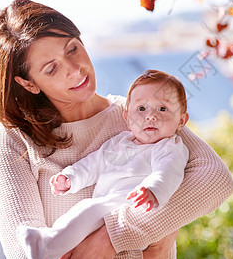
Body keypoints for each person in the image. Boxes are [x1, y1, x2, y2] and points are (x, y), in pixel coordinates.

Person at [0, 0, 233, 259]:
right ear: (29, 84)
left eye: (72, 49)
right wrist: (155, 240)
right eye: (52, 68)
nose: (75, 70)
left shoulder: (139, 116)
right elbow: (24, 254)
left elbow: (215, 180)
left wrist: (112, 237)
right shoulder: (12, 139)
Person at [18, 70, 190, 259]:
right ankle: (55, 248)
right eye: (141, 109)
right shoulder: (122, 142)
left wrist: (153, 190)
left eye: (162, 109)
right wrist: (71, 177)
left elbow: (168, 172)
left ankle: (45, 247)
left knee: (87, 210)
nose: (150, 116)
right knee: (83, 214)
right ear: (127, 118)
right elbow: (95, 163)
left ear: (181, 120)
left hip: (130, 204)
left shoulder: (169, 147)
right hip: (108, 202)